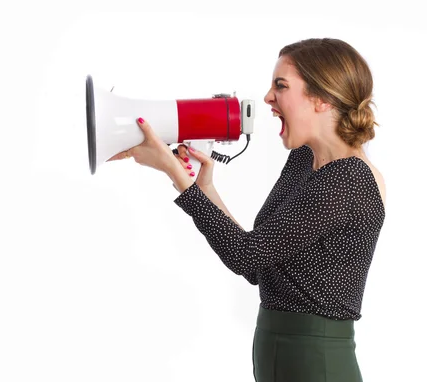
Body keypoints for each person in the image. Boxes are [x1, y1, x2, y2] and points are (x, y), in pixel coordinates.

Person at [108, 38, 386, 382]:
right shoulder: (303, 160)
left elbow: (246, 256)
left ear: (321, 98)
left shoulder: (349, 178)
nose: (268, 97)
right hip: (276, 352)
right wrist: (205, 189)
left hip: (318, 359)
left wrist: (177, 176)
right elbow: (260, 264)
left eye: (280, 86)